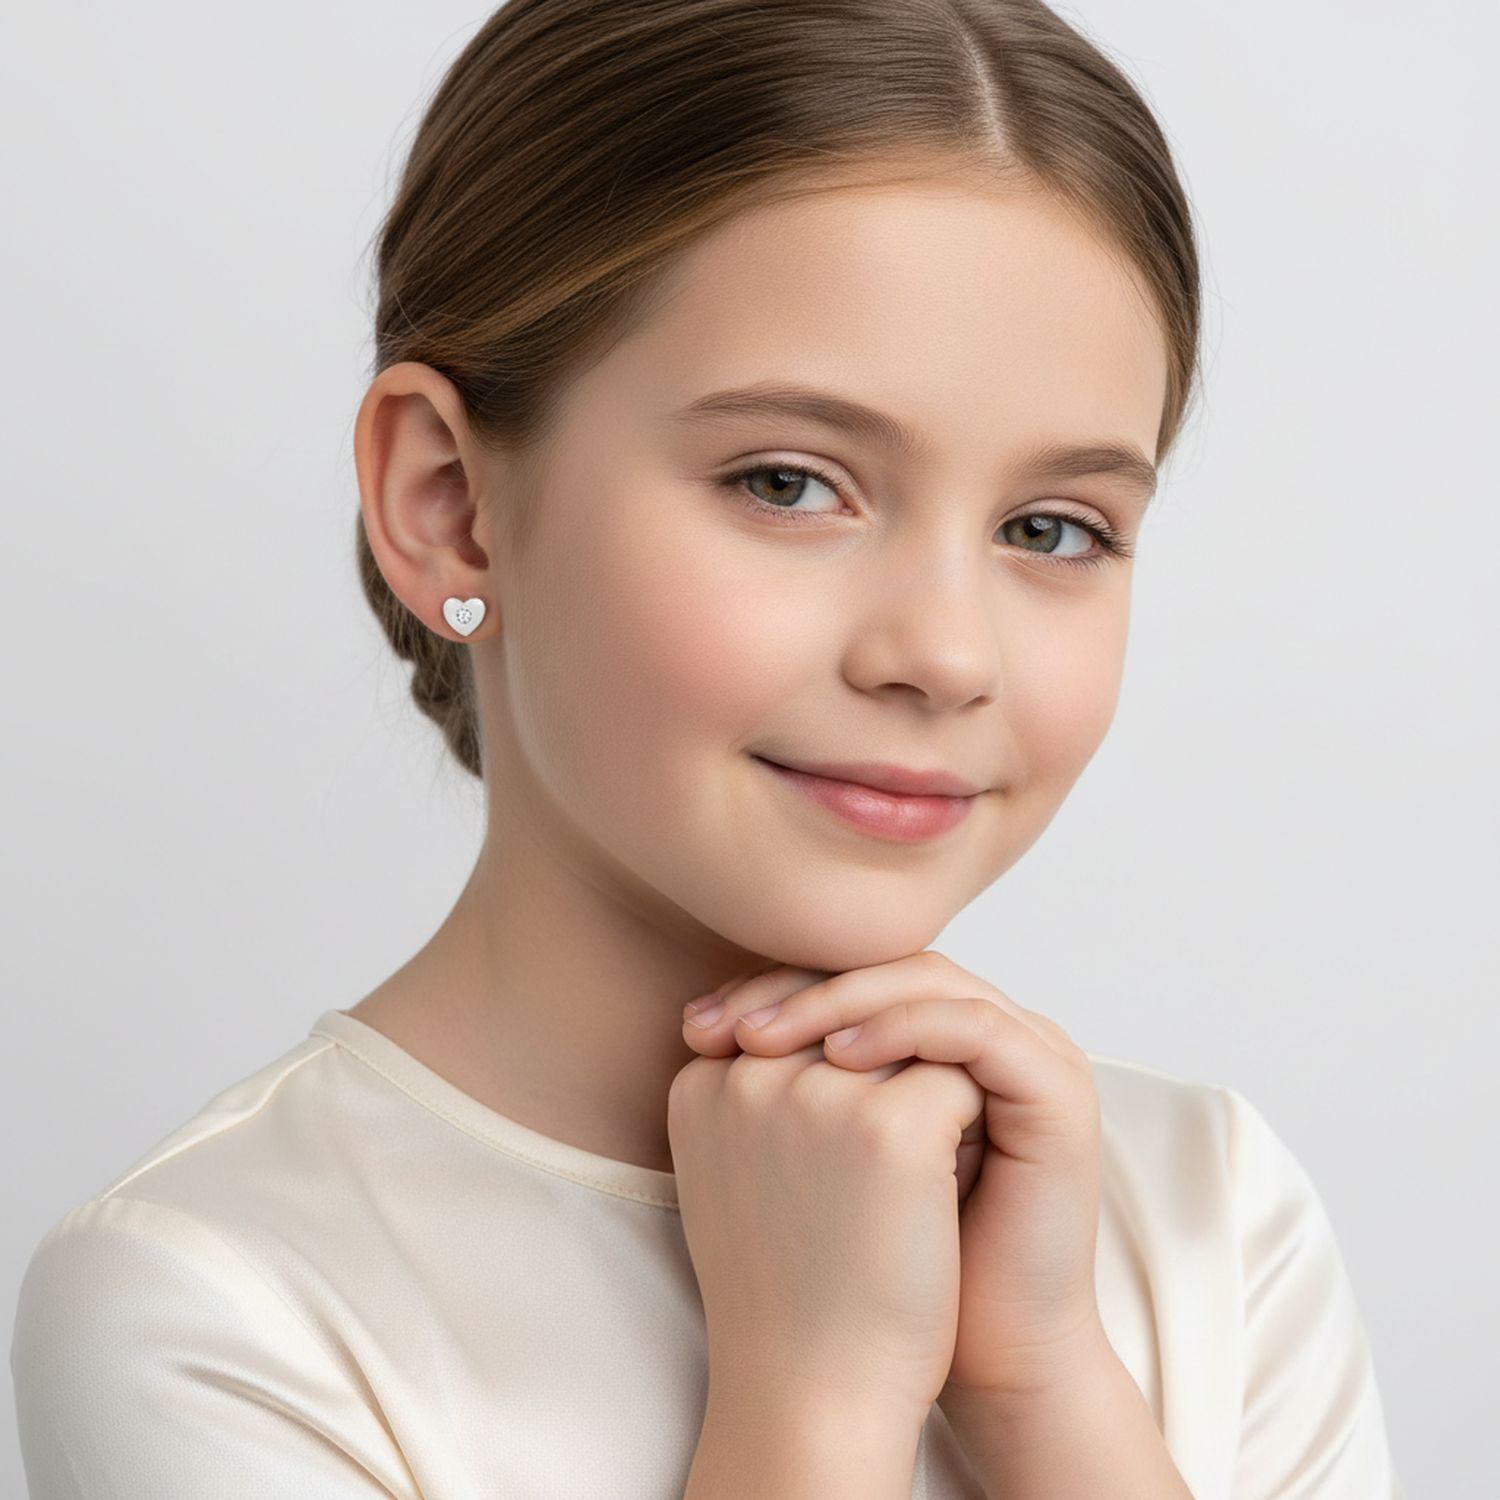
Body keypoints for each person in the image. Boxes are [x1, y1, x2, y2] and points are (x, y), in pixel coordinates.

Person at [10, 0, 1405, 1495]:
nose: (947, 655)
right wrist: (817, 1399)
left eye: (1052, 529)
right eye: (789, 484)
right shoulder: (216, 1303)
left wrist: (1045, 1392)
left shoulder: (1209, 1219)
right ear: (450, 504)